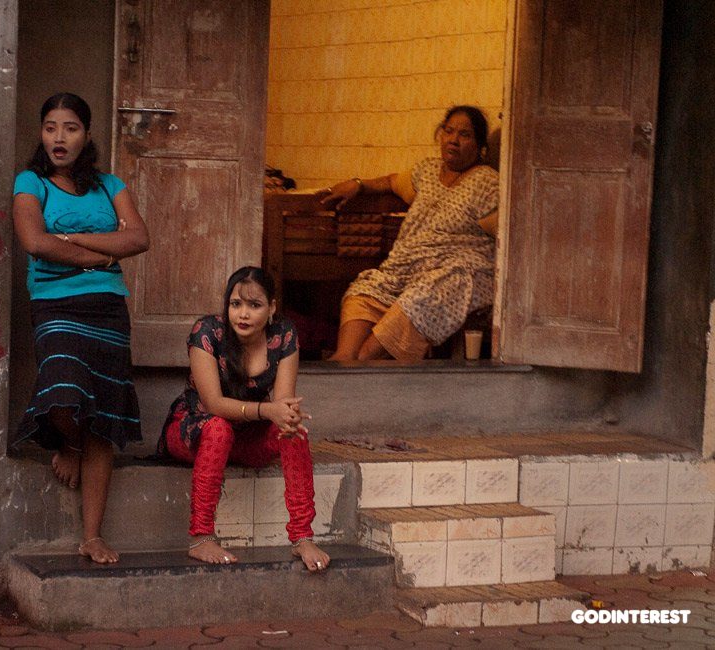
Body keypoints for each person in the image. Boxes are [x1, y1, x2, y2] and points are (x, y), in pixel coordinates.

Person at [11, 93, 150, 564]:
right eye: (50, 127)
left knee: (104, 414)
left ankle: (92, 535)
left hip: (108, 310)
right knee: (64, 388)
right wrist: (105, 254)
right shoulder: (31, 183)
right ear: (41, 133)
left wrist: (69, 240)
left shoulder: (110, 185)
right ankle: (66, 440)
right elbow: (34, 241)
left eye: (69, 128)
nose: (59, 138)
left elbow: (138, 237)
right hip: (55, 307)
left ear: (86, 134)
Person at [158, 266, 331, 572]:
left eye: (255, 305)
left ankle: (302, 536)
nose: (243, 314)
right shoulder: (207, 333)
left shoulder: (284, 335)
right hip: (193, 432)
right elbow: (213, 404)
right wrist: (268, 411)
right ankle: (201, 538)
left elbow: (282, 404)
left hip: (244, 438)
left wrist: (287, 416)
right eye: (236, 304)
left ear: (272, 308)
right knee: (218, 428)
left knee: (294, 432)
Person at [320, 105, 499, 362]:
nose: (453, 140)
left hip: (451, 275)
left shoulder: (486, 182)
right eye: (448, 131)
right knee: (365, 288)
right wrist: (358, 185)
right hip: (403, 270)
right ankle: (344, 358)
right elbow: (392, 181)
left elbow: (503, 231)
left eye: (465, 135)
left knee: (416, 302)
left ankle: (363, 361)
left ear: (480, 145)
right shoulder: (427, 171)